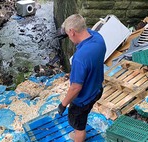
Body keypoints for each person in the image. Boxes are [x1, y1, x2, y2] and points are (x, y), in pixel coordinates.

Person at [57, 14, 106, 142]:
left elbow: (76, 87)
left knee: (79, 125)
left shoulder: (79, 58)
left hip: (83, 99)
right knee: (83, 117)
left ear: (72, 32)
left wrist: (63, 104)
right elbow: (86, 30)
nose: (68, 36)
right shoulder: (98, 38)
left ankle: (78, 137)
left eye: (68, 34)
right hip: (97, 90)